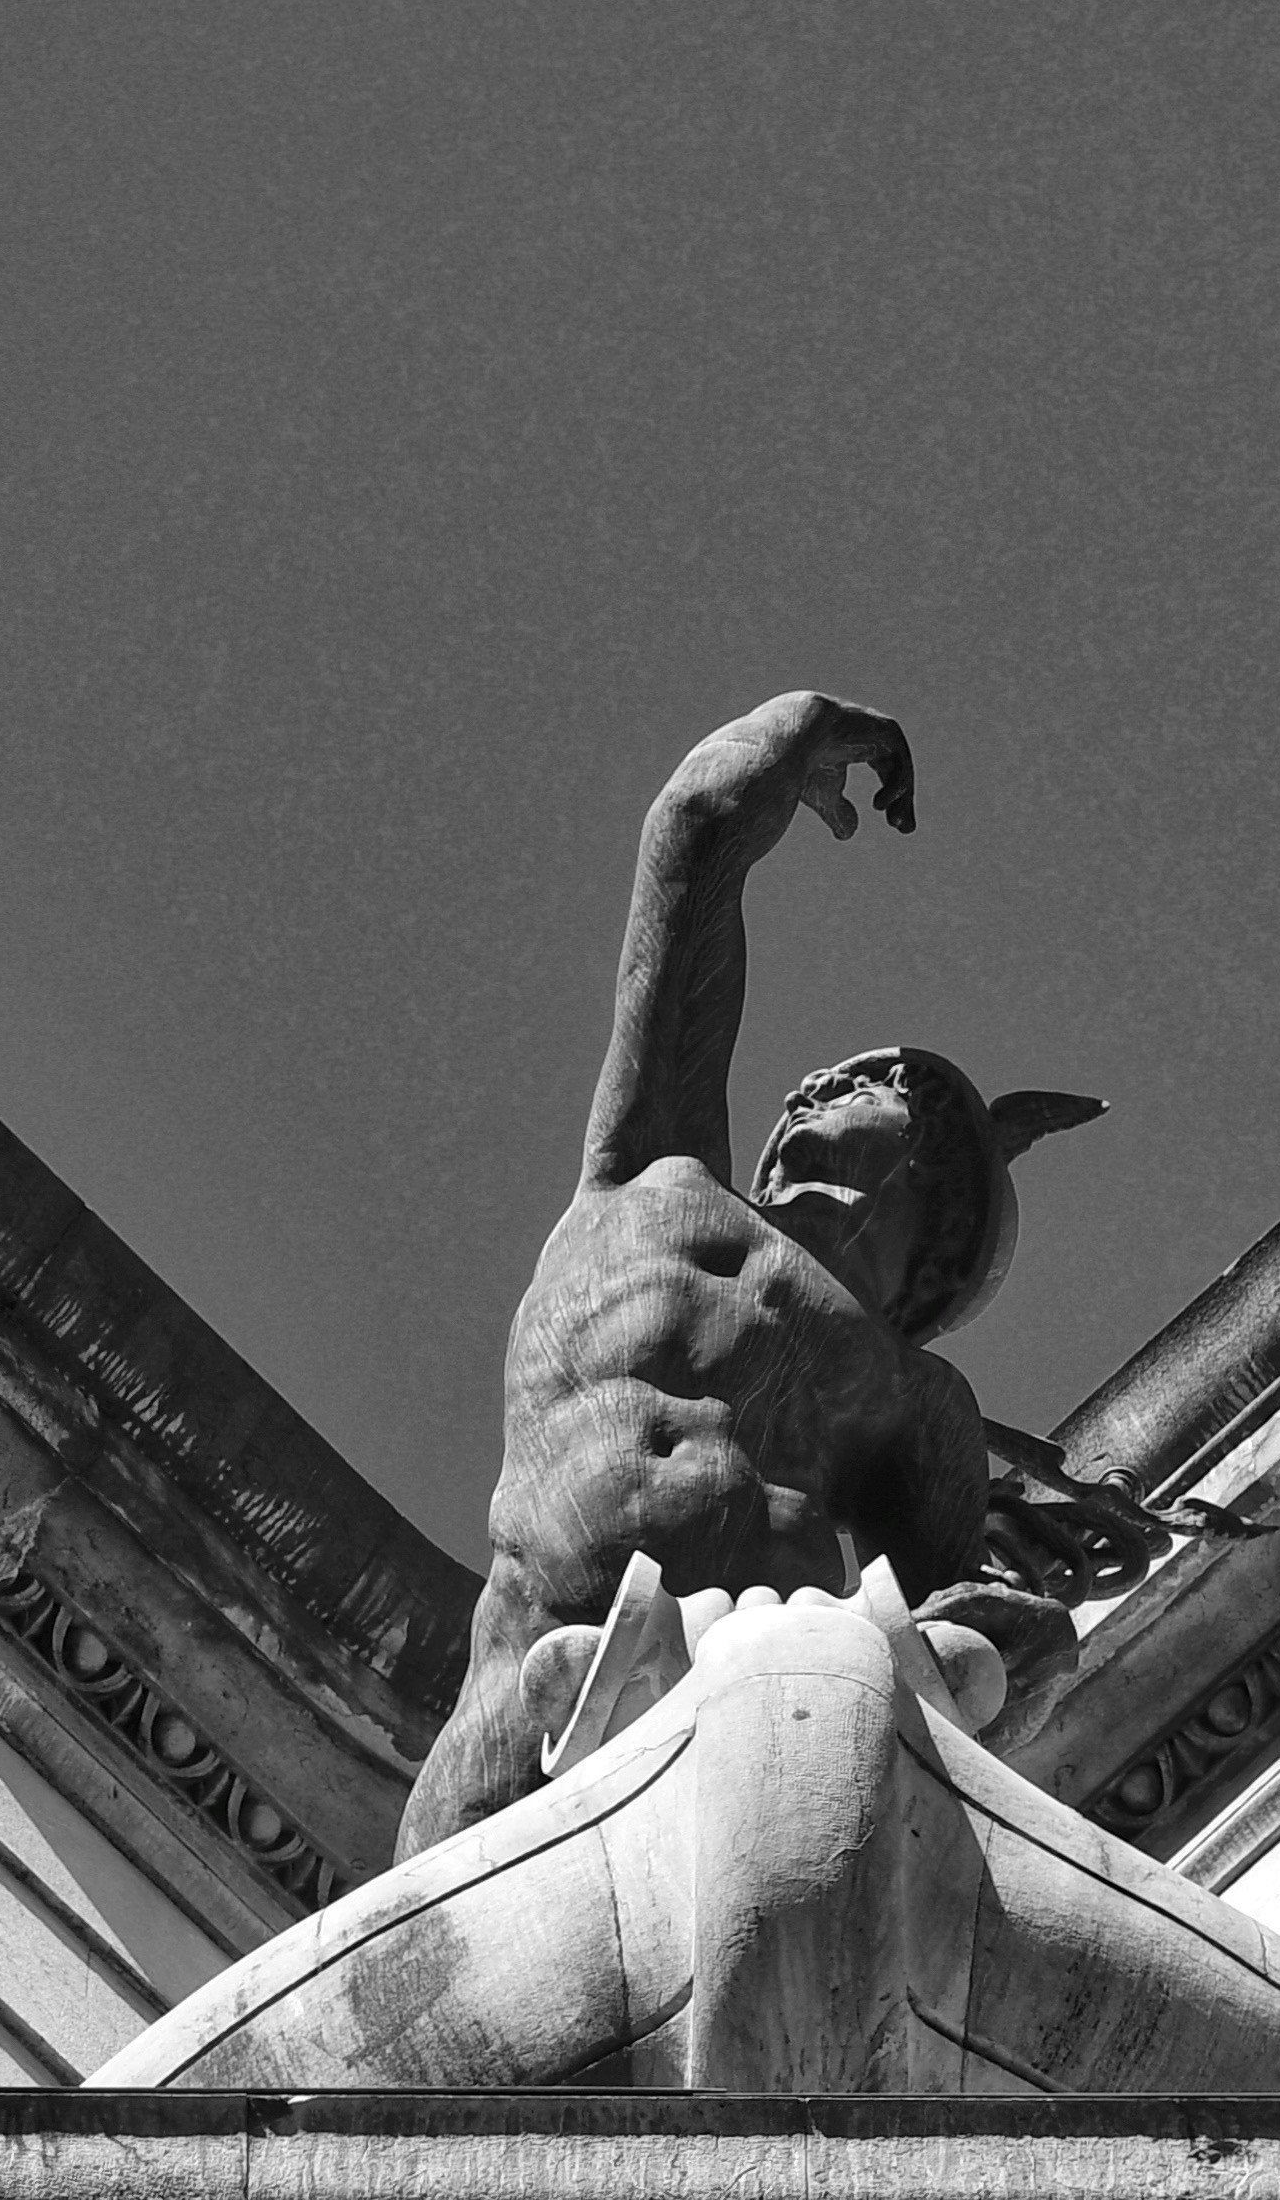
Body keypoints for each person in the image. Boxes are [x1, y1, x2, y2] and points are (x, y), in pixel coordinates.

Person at [397, 692, 1188, 1856]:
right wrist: (807, 726)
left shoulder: (917, 1401)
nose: (810, 1097)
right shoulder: (655, 1175)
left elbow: (954, 1640)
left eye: (861, 1092)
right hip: (528, 1674)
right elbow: (691, 835)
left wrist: (1020, 1585)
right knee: (425, 1934)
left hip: (761, 1716)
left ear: (931, 1192)